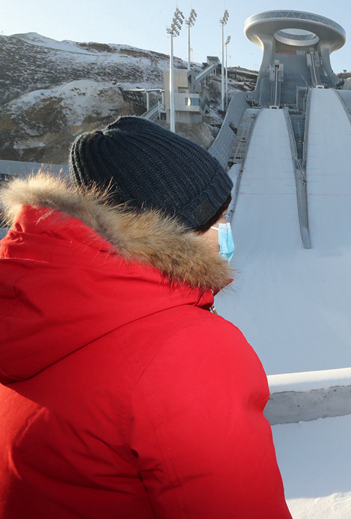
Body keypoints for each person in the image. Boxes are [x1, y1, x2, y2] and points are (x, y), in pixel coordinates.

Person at [0, 117, 291, 518]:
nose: (225, 231)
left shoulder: (30, 303)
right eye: (218, 218)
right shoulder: (186, 350)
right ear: (177, 228)